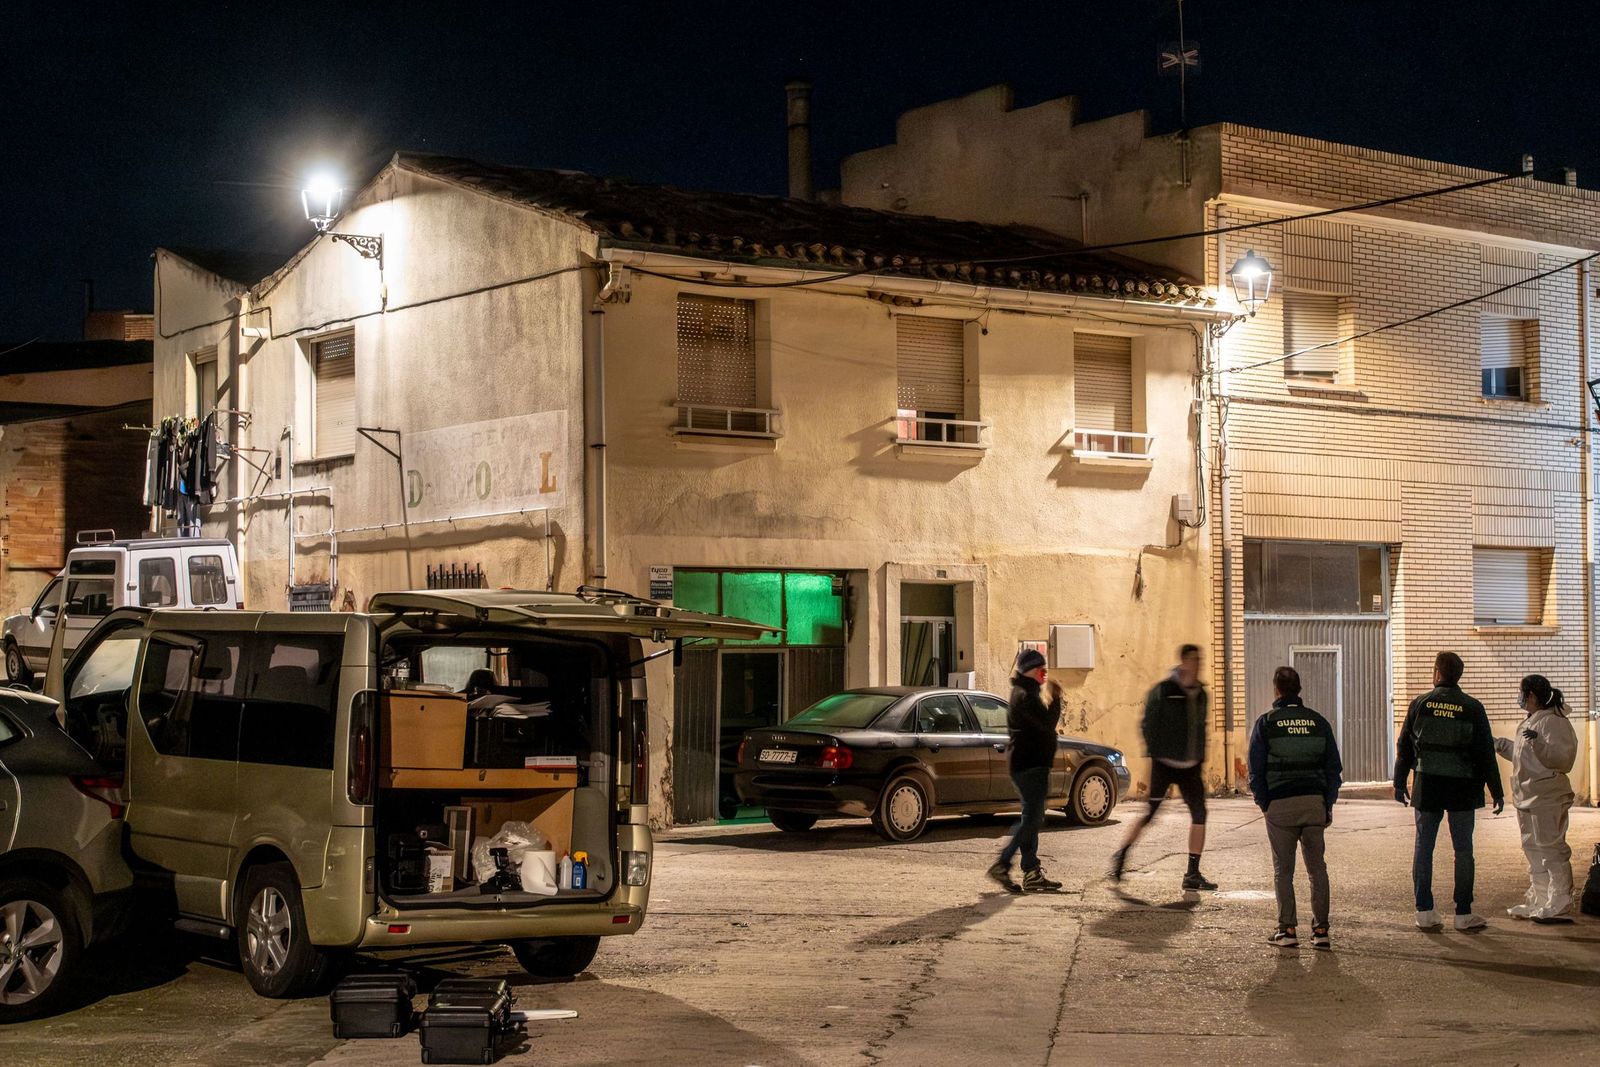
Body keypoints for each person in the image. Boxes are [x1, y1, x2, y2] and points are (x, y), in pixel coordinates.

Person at [1394, 651, 1504, 931]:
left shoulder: (1420, 703)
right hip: (1462, 787)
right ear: (1459, 675)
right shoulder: (1473, 707)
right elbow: (1484, 753)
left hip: (1428, 784)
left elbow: (1404, 747)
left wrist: (1399, 782)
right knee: (1464, 850)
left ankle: (1424, 911)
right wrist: (1496, 790)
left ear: (1436, 673)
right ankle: (1463, 914)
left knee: (1424, 847)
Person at [1247, 666, 1343, 949]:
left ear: (1276, 690)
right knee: (1317, 869)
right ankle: (1321, 930)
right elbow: (1333, 768)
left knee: (1283, 871)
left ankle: (1287, 930)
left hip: (1280, 807)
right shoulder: (1318, 722)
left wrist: (1265, 804)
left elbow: (1256, 770)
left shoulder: (1266, 723)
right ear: (1298, 689)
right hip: (1314, 804)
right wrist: (1327, 803)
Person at [1110, 644, 1216, 892]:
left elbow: (1201, 726)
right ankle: (1122, 855)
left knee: (1200, 814)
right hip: (1164, 763)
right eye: (1193, 660)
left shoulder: (1202, 693)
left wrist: (1200, 756)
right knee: (1150, 814)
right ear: (1183, 662)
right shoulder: (1163, 691)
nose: (1197, 664)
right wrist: (1153, 759)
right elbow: (1148, 725)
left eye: (1199, 659)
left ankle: (1192, 873)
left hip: (1191, 767)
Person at [1495, 675, 1579, 922]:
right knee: (1532, 848)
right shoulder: (1532, 722)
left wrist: (1540, 744)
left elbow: (1562, 760)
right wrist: (1500, 746)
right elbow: (1525, 757)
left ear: (1531, 695)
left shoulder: (1554, 722)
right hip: (1528, 797)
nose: (1519, 698)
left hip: (1547, 797)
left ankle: (1559, 901)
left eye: (1522, 693)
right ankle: (1541, 898)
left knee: (1551, 849)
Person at [987, 648, 1065, 893]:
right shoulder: (1026, 695)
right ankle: (1002, 863)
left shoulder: (1023, 692)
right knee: (1033, 818)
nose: (1044, 673)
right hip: (1030, 764)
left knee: (1030, 817)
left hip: (1028, 763)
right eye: (1041, 669)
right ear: (1031, 670)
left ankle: (1031, 872)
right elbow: (1045, 725)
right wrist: (1056, 700)